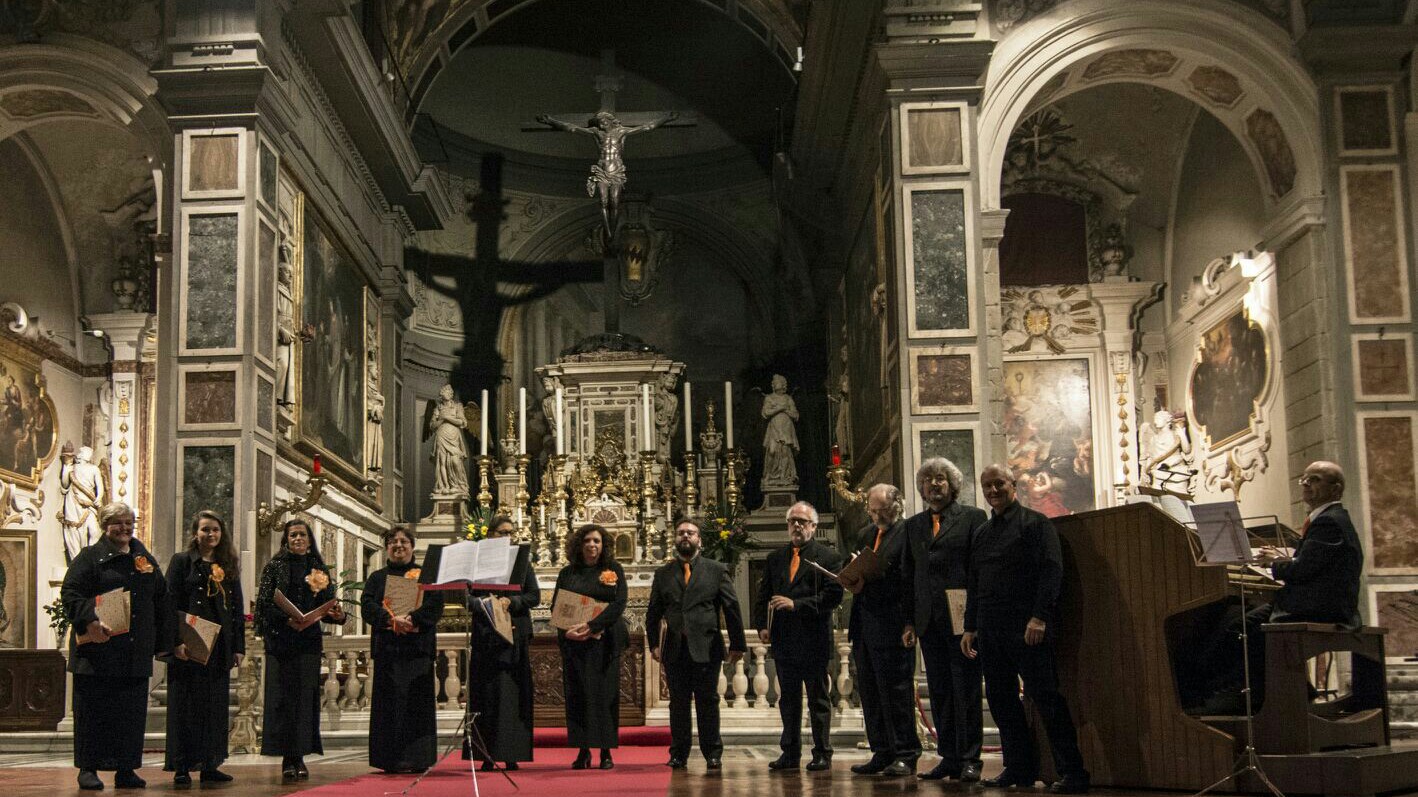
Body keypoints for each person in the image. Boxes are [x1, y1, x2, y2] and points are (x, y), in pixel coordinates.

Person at [1195, 460, 1364, 714]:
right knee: (1237, 621)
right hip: (1320, 602)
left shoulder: (1329, 522)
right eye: (1304, 479)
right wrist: (1286, 560)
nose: (1306, 484)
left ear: (1335, 489)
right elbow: (1312, 563)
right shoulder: (1329, 519)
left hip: (1321, 607)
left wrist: (1275, 563)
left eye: (1315, 479)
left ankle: (1250, 696)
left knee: (1242, 627)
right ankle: (1279, 691)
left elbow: (1301, 570)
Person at [962, 465, 1089, 794]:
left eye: (998, 483)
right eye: (987, 485)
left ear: (1012, 485)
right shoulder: (982, 533)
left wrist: (1040, 617)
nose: (993, 490)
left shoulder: (1036, 523)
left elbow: (1051, 570)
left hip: (1026, 627)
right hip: (990, 630)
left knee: (1047, 697)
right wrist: (970, 627)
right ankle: (1018, 768)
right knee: (1002, 700)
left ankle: (1073, 772)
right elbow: (975, 584)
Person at [62, 501, 171, 790]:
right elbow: (70, 593)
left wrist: (163, 644)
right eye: (118, 523)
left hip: (133, 652)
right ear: (105, 524)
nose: (124, 528)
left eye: (129, 522)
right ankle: (88, 769)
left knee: (130, 716)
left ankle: (126, 769)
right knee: (93, 714)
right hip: (98, 650)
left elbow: (160, 599)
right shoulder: (90, 556)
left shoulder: (143, 558)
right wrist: (90, 620)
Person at [901, 459, 988, 782]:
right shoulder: (914, 525)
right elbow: (910, 575)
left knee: (965, 689)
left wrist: (973, 620)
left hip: (961, 617)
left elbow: (977, 570)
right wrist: (909, 622)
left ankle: (970, 759)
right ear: (922, 488)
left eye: (940, 479)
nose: (934, 485)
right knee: (939, 690)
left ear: (953, 485)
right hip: (929, 620)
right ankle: (949, 757)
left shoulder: (972, 518)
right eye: (928, 480)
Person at [646, 517, 747, 770]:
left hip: (707, 646)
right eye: (681, 533)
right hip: (674, 648)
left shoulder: (716, 569)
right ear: (675, 539)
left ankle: (712, 752)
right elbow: (653, 612)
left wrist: (737, 644)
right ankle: (678, 753)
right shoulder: (663, 573)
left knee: (708, 701)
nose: (685, 537)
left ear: (699, 539)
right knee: (678, 703)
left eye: (691, 533)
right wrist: (653, 644)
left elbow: (731, 608)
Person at [753, 501, 843, 772]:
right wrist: (762, 626)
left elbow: (833, 596)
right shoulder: (775, 558)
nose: (797, 526)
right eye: (793, 521)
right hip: (783, 639)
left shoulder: (827, 557)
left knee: (818, 698)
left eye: (803, 522)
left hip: (813, 638)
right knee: (788, 699)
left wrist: (796, 604)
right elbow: (763, 597)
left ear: (814, 526)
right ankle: (790, 753)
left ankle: (822, 752)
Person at [255, 518, 347, 781]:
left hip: (307, 644)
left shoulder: (317, 568)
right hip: (281, 643)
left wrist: (338, 615)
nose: (297, 539)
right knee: (283, 700)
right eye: (293, 535)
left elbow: (327, 605)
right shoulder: (274, 567)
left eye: (302, 535)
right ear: (286, 540)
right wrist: (287, 618)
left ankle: (301, 756)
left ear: (309, 541)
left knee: (305, 700)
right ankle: (287, 757)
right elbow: (263, 606)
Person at [165, 510, 245, 786]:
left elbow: (236, 609)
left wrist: (238, 646)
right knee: (185, 706)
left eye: (215, 530)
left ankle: (211, 763)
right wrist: (176, 641)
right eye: (205, 530)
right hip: (188, 645)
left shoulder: (228, 564)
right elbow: (169, 605)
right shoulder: (182, 562)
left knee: (214, 707)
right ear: (195, 533)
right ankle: (182, 767)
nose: (210, 535)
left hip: (218, 646)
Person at [361, 525, 445, 774]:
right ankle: (390, 759)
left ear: (412, 545)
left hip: (417, 649)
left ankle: (417, 758)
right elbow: (367, 606)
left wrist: (412, 619)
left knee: (416, 706)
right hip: (388, 649)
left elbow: (435, 605)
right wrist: (390, 620)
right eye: (393, 542)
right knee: (389, 706)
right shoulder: (377, 577)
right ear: (387, 547)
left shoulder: (426, 575)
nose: (398, 545)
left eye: (403, 541)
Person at [848, 484, 919, 777]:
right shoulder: (866, 535)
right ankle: (881, 750)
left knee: (896, 692)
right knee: (871, 692)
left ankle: (906, 752)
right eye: (872, 510)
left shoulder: (908, 532)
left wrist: (911, 621)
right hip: (865, 624)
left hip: (893, 623)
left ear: (897, 506)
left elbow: (912, 579)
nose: (877, 515)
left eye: (883, 510)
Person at [553, 523, 629, 770]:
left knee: (605, 696)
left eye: (596, 541)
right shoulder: (568, 573)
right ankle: (583, 750)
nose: (592, 545)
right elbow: (559, 606)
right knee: (578, 696)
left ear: (603, 545)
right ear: (579, 544)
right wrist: (568, 633)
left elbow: (619, 604)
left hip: (604, 642)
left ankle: (606, 751)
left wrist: (594, 626)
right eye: (587, 541)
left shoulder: (613, 570)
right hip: (576, 643)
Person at [466, 516, 539, 770]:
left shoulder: (521, 562)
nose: (507, 537)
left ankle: (511, 753)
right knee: (486, 695)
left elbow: (534, 595)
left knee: (512, 696)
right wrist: (482, 604)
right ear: (490, 535)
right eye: (502, 532)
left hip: (514, 637)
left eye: (511, 533)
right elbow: (467, 596)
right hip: (486, 636)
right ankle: (487, 754)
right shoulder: (477, 563)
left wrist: (512, 602)